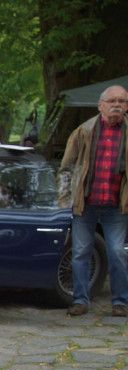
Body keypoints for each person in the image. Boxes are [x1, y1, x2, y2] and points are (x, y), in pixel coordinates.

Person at [59, 84, 128, 317]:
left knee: (117, 252)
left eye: (122, 101)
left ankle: (120, 302)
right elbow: (66, 168)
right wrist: (64, 201)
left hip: (117, 206)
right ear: (100, 105)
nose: (117, 105)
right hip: (85, 203)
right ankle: (80, 300)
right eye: (112, 101)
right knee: (80, 252)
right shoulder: (83, 131)